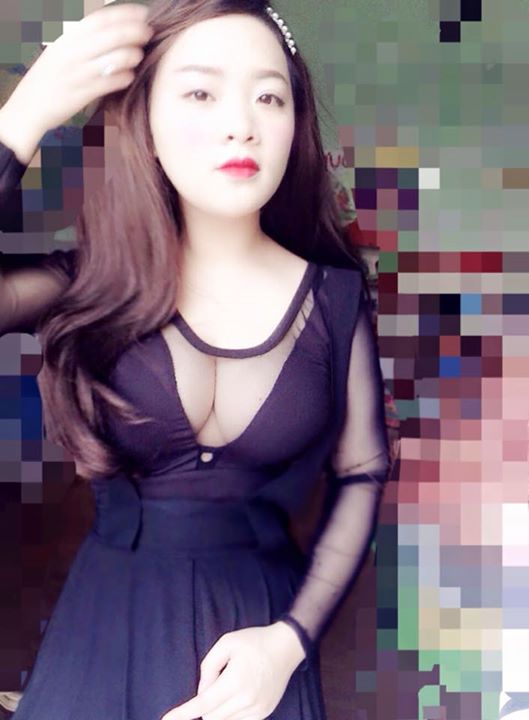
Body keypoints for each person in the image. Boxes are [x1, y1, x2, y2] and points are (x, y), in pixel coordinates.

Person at [0, 1, 392, 718]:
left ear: (294, 126)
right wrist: (20, 122)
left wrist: (289, 643)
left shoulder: (333, 297)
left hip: (257, 653)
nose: (241, 123)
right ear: (144, 125)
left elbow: (362, 472)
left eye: (268, 97)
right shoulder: (88, 284)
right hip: (102, 638)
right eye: (201, 92)